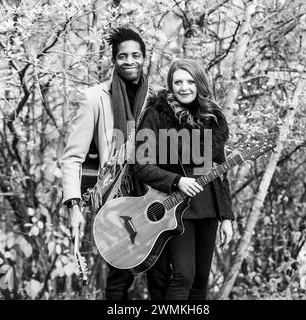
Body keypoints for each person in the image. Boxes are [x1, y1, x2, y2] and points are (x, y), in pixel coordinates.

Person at [61, 27, 169, 300]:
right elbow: (73, 157)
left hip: (155, 195)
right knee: (118, 279)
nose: (130, 61)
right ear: (114, 60)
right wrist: (73, 205)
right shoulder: (95, 98)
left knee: (161, 277)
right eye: (123, 56)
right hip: (115, 199)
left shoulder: (159, 98)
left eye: (135, 55)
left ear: (145, 58)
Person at [133, 59, 235, 300]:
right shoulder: (156, 115)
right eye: (178, 82)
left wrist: (227, 217)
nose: (184, 87)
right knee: (183, 277)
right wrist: (177, 180)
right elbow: (141, 165)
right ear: (170, 85)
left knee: (200, 282)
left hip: (208, 209)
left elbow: (220, 172)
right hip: (174, 209)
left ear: (200, 84)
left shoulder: (213, 119)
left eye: (190, 81)